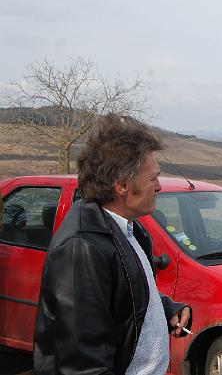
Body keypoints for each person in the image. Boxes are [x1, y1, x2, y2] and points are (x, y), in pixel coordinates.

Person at [33, 114, 192, 375]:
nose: (160, 187)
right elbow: (83, 366)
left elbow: (123, 297)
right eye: (153, 179)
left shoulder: (128, 229)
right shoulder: (81, 249)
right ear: (122, 185)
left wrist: (167, 309)